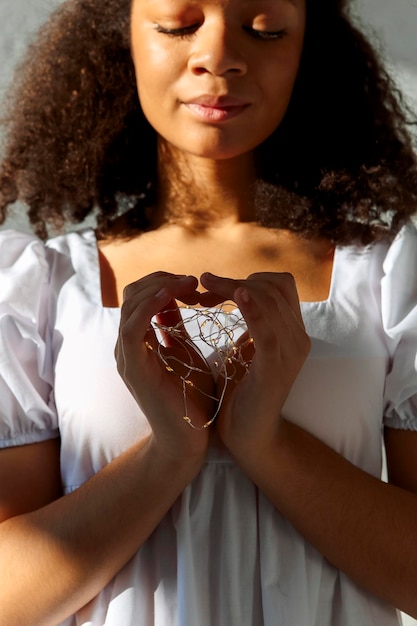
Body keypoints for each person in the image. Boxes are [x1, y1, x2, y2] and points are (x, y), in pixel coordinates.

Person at [0, 0, 417, 624]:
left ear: (309, 50)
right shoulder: (41, 288)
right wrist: (169, 452)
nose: (219, 57)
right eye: (177, 24)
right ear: (124, 41)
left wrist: (267, 442)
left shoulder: (389, 278)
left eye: (266, 30)